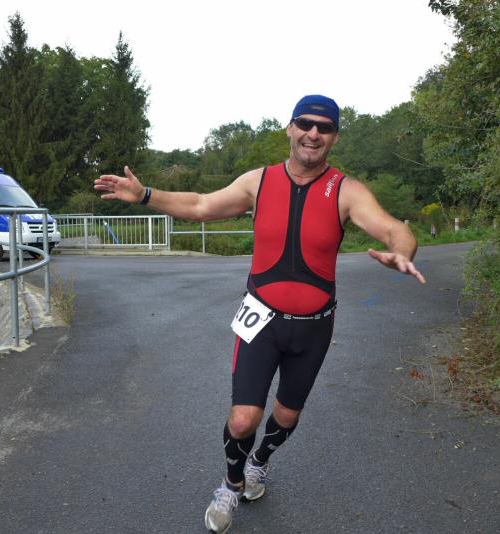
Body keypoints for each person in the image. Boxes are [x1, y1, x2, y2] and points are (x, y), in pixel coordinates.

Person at [94, 94, 426, 534]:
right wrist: (145, 195)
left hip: (314, 327)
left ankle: (260, 462)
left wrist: (401, 251)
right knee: (243, 418)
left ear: (334, 138)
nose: (313, 133)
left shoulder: (346, 190)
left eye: (324, 127)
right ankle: (231, 484)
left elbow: (393, 228)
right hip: (261, 321)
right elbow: (200, 205)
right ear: (290, 128)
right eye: (305, 123)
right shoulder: (259, 181)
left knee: (286, 416)